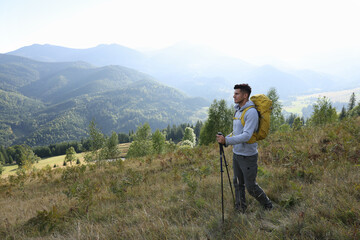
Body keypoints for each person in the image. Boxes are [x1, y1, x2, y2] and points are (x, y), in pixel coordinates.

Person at [216, 83, 273, 213]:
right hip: (237, 154)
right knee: (237, 183)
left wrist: (227, 140)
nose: (234, 96)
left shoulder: (251, 112)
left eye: (237, 94)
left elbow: (246, 136)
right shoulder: (238, 110)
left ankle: (268, 205)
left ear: (245, 95)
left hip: (248, 156)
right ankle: (240, 209)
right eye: (234, 93)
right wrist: (225, 139)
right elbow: (237, 132)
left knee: (251, 186)